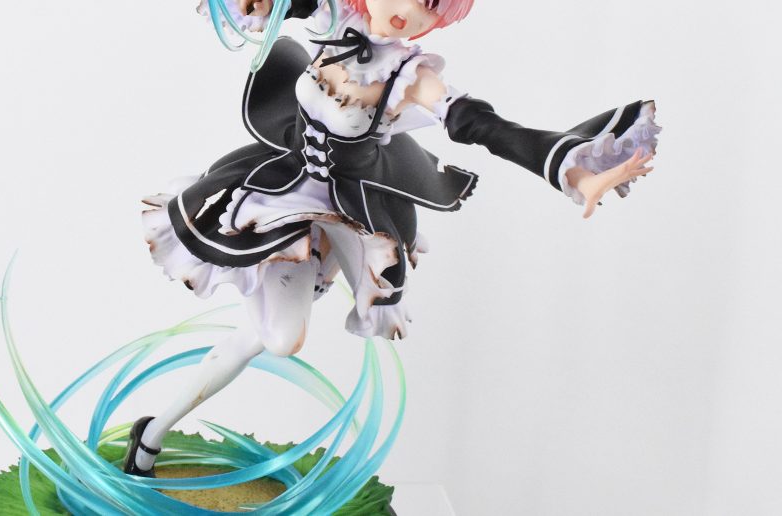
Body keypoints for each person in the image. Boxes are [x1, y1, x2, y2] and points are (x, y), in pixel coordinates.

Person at [125, 0, 660, 476]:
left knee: (270, 338)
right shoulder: (335, 16)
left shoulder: (411, 73)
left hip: (348, 214)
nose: (409, 11)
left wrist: (576, 174)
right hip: (282, 193)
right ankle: (154, 432)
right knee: (273, 338)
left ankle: (153, 432)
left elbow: (484, 127)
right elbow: (277, 7)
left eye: (430, 4)